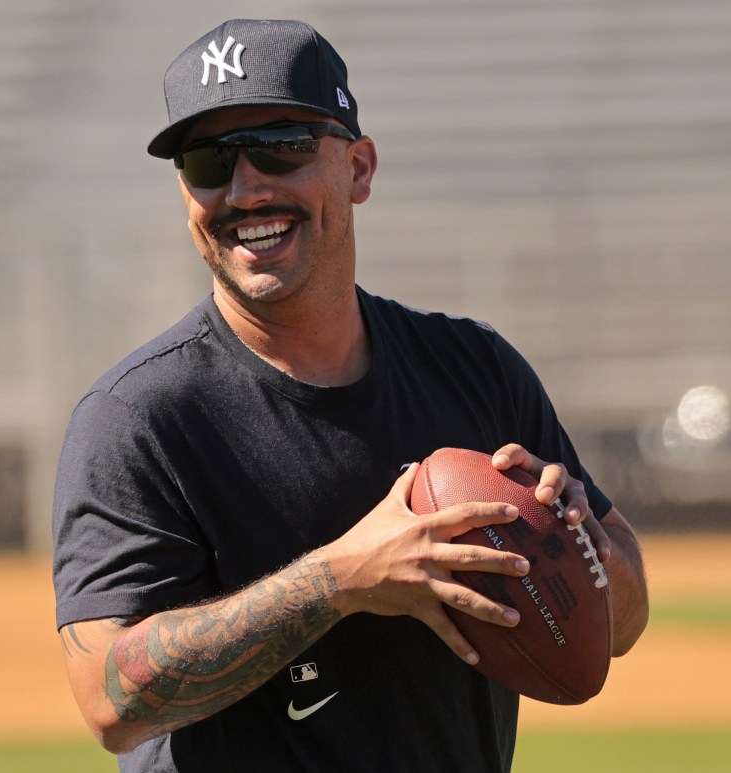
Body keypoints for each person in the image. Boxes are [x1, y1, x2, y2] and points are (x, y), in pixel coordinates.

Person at [52, 18, 649, 773]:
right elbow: (110, 698)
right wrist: (342, 580)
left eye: (283, 145)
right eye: (208, 160)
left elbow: (624, 615)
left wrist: (569, 539)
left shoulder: (476, 367)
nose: (245, 188)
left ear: (359, 168)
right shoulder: (139, 416)